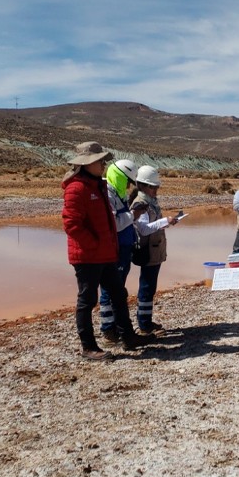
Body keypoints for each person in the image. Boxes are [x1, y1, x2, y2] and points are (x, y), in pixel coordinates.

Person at [61, 142, 151, 360]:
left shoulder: (98, 186)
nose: (104, 165)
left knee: (119, 294)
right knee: (87, 300)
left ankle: (128, 336)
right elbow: (71, 224)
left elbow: (108, 221)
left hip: (105, 254)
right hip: (88, 256)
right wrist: (93, 244)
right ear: (87, 163)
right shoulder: (76, 188)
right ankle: (89, 347)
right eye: (100, 161)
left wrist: (106, 245)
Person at [130, 165, 180, 333]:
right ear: (143, 186)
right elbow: (144, 229)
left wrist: (167, 222)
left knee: (149, 287)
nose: (156, 190)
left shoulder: (150, 202)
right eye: (153, 187)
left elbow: (152, 225)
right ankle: (144, 325)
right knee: (146, 288)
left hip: (154, 250)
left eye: (157, 187)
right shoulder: (140, 203)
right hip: (148, 251)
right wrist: (165, 221)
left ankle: (146, 322)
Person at [98, 158, 140, 342]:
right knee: (110, 290)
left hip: (123, 248)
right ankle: (108, 329)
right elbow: (113, 224)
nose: (129, 186)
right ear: (120, 177)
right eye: (127, 181)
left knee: (117, 290)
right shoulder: (108, 194)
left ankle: (116, 326)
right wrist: (133, 215)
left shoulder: (117, 193)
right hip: (115, 249)